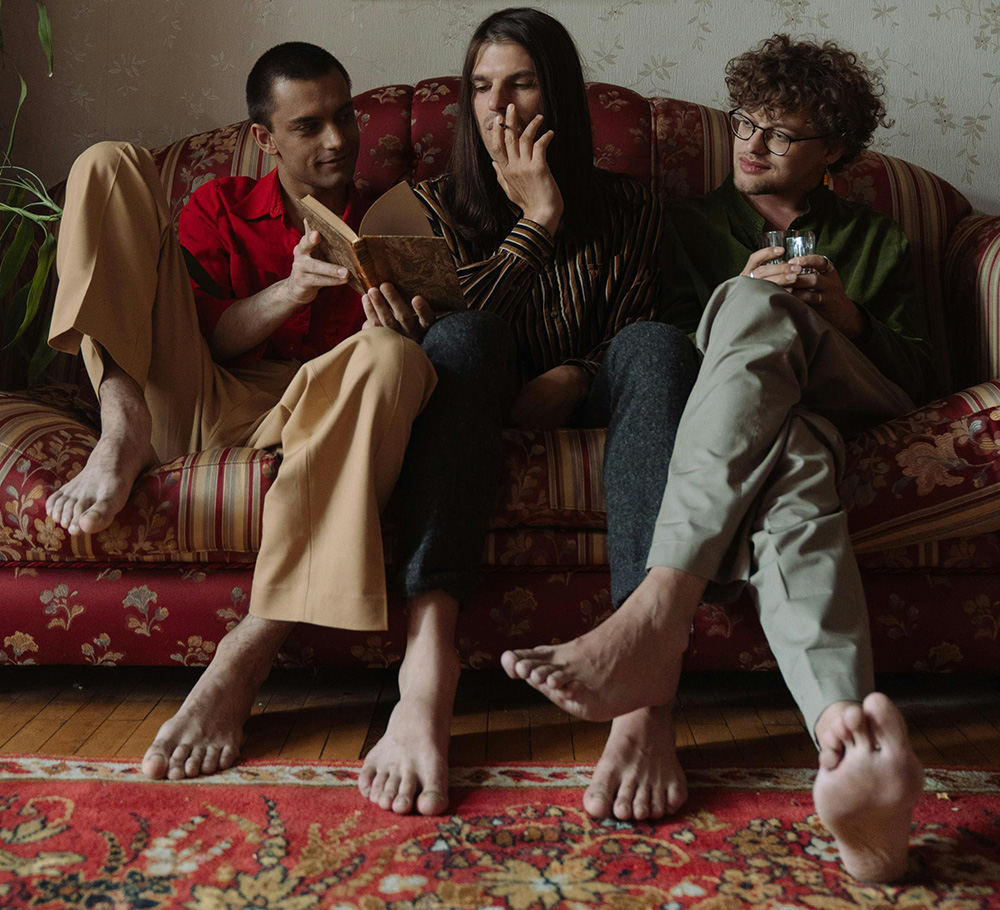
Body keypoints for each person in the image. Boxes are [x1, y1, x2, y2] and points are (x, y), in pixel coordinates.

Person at [502, 34, 934, 883]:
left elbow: (919, 376)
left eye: (780, 133)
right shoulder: (691, 227)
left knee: (757, 310)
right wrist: (740, 296)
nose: (751, 143)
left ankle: (660, 612)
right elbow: (663, 357)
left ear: (835, 152)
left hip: (846, 389)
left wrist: (845, 317)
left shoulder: (875, 237)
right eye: (744, 122)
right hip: (758, 425)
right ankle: (849, 745)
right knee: (795, 465)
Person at [43, 42, 510, 805]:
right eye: (309, 126)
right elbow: (209, 339)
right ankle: (118, 429)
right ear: (265, 139)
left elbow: (421, 367)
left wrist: (410, 321)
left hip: (324, 417)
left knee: (393, 358)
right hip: (204, 397)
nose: (337, 141)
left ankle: (246, 651)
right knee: (108, 163)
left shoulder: (393, 217)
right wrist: (290, 290)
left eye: (344, 115)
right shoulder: (217, 205)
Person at [357, 7, 698, 817]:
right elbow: (447, 335)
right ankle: (426, 675)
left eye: (520, 83)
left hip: (608, 392)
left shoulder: (631, 208)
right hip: (472, 396)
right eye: (480, 87)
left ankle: (643, 683)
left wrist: (574, 376)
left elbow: (635, 326)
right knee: (466, 335)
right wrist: (536, 223)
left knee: (656, 344)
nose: (498, 107)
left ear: (562, 98)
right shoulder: (428, 211)